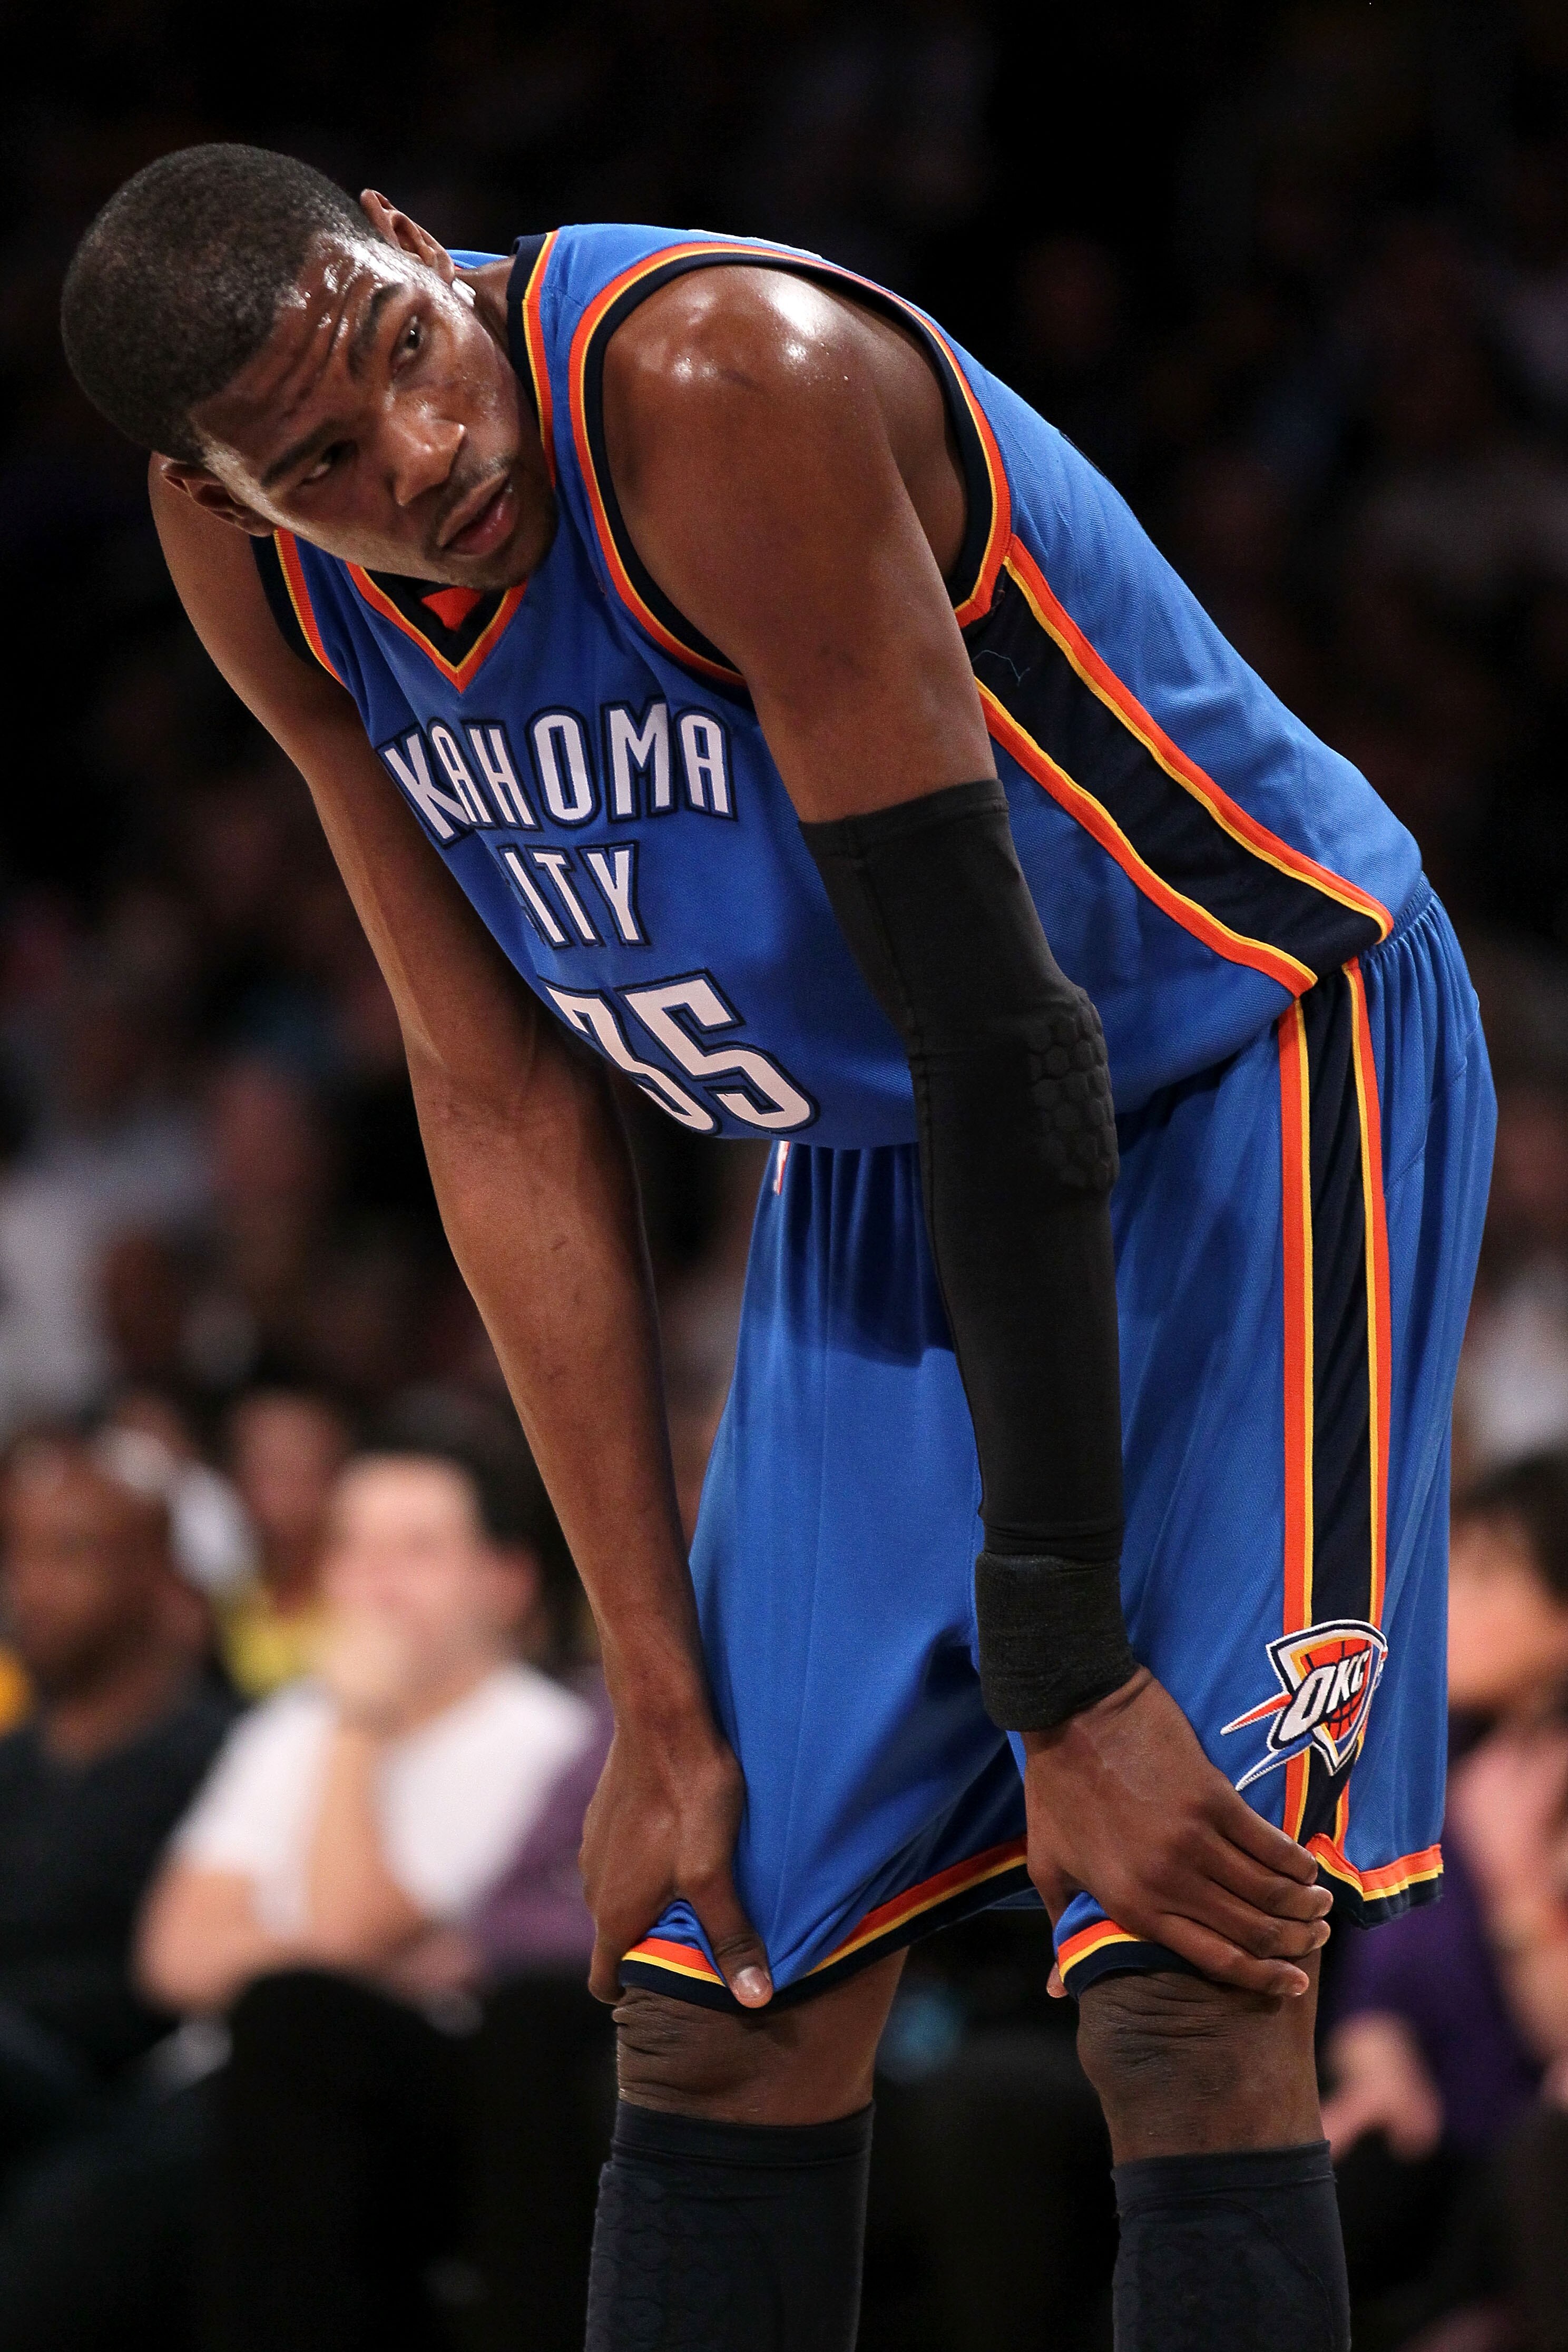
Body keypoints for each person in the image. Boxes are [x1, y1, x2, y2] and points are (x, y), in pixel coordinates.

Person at [59, 143, 1496, 2352]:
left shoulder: (728, 384)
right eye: (325, 461)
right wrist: (650, 1685)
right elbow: (501, 1093)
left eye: (410, 357)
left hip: (1243, 1063)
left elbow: (1011, 1035)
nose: (421, 460)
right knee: (712, 1976)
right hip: (892, 1138)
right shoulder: (250, 569)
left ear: (412, 238)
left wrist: (1072, 1675)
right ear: (223, 490)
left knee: (1185, 1982)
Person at [139, 1443, 601, 2349]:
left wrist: (359, 1725)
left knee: (287, 2023)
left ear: (506, 1580)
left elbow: (339, 1946)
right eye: (353, 1545)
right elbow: (173, 1952)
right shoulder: (287, 1722)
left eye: (417, 1547)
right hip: (196, 2083)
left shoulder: (544, 1738)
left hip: (413, 2111)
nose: (377, 1580)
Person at [0, 1428, 234, 2348]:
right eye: (18, 1552)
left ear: (159, 1579)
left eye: (71, 1553)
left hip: (115, 2085)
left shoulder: (224, 1753)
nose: (31, 1586)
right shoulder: (14, 1762)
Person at [219, 1387, 351, 1698]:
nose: (276, 1491)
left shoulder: (371, 1597)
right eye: (261, 1468)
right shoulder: (221, 1599)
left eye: (295, 1469)